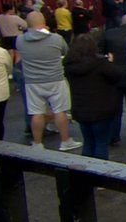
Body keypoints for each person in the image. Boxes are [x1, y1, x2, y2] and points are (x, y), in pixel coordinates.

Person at [16, 11, 82, 150]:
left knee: (36, 112)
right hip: (55, 78)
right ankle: (65, 140)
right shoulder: (56, 39)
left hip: (32, 81)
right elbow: (65, 52)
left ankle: (38, 143)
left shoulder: (20, 40)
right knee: (60, 110)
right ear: (44, 22)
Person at [64, 34, 122, 159]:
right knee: (101, 143)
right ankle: (99, 174)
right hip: (101, 109)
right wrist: (110, 62)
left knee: (88, 142)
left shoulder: (69, 65)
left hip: (81, 109)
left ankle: (87, 175)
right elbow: (116, 76)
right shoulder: (100, 63)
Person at [99, 13, 126, 145]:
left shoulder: (109, 34)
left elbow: (101, 51)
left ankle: (114, 136)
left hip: (114, 75)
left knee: (115, 108)